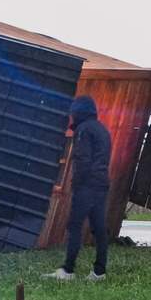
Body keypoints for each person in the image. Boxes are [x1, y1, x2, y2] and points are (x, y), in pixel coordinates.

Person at [44, 95, 111, 281]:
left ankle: (68, 270)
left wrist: (77, 183)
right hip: (101, 183)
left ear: (79, 112)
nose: (71, 116)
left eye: (73, 112)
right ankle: (99, 271)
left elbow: (83, 159)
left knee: (75, 225)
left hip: (87, 185)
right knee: (99, 228)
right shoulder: (102, 130)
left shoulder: (83, 130)